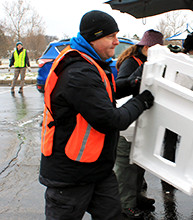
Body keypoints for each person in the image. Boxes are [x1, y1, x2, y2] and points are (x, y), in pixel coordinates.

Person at [39, 10, 154, 220]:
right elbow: (110, 119)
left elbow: (102, 92)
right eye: (110, 36)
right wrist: (142, 101)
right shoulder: (78, 72)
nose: (116, 42)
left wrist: (130, 85)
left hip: (97, 170)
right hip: (70, 175)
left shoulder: (91, 63)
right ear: (93, 38)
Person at [114, 29, 163, 219]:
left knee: (138, 162)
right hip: (127, 122)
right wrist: (138, 79)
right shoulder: (131, 63)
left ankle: (136, 198)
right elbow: (122, 88)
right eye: (151, 48)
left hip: (139, 119)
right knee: (125, 166)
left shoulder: (147, 62)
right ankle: (125, 206)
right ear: (144, 47)